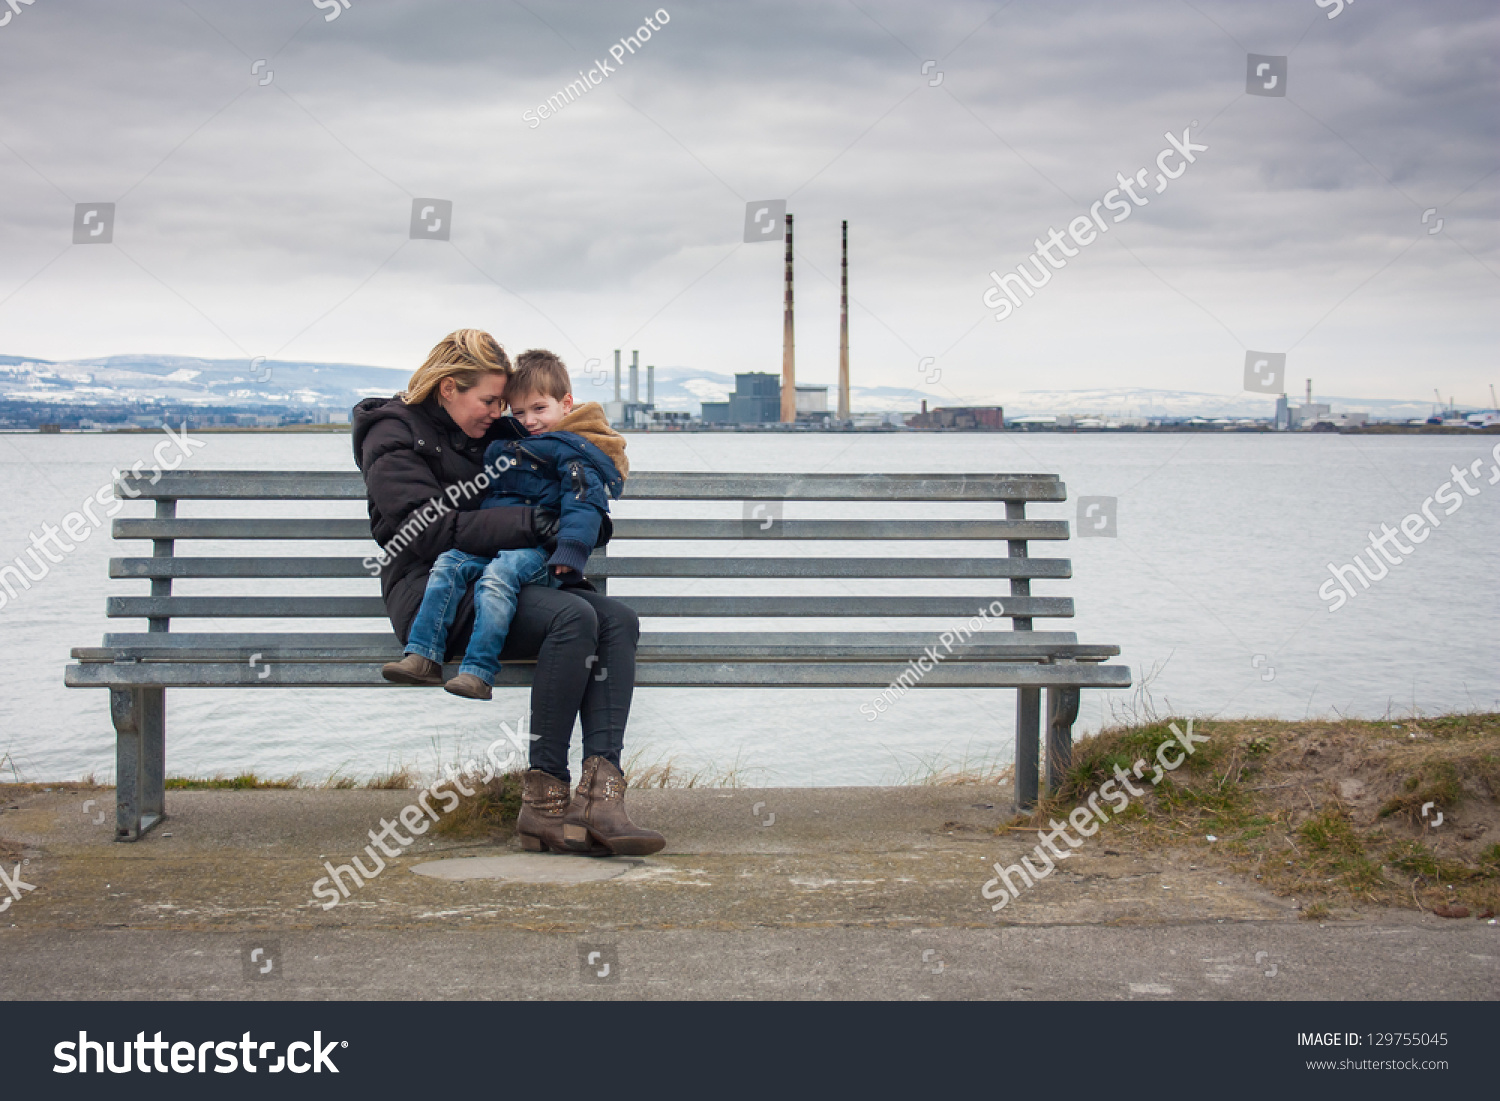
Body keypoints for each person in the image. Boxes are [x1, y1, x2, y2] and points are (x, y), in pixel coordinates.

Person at [352, 329, 663, 857]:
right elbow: (424, 529)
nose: (502, 413)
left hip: (504, 576)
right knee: (574, 620)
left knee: (618, 621)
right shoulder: (393, 436)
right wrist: (537, 522)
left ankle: (602, 802)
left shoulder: (488, 431)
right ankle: (543, 805)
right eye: (490, 400)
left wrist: (574, 524)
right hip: (436, 594)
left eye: (505, 402)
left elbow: (561, 495)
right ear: (449, 388)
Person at [382, 349, 628, 702]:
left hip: (537, 553)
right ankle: (423, 655)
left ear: (566, 404)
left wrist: (571, 549)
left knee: (498, 577)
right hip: (497, 543)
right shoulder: (510, 445)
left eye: (539, 409)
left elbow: (583, 501)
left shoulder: (573, 452)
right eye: (520, 412)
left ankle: (478, 672)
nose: (529, 420)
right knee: (448, 564)